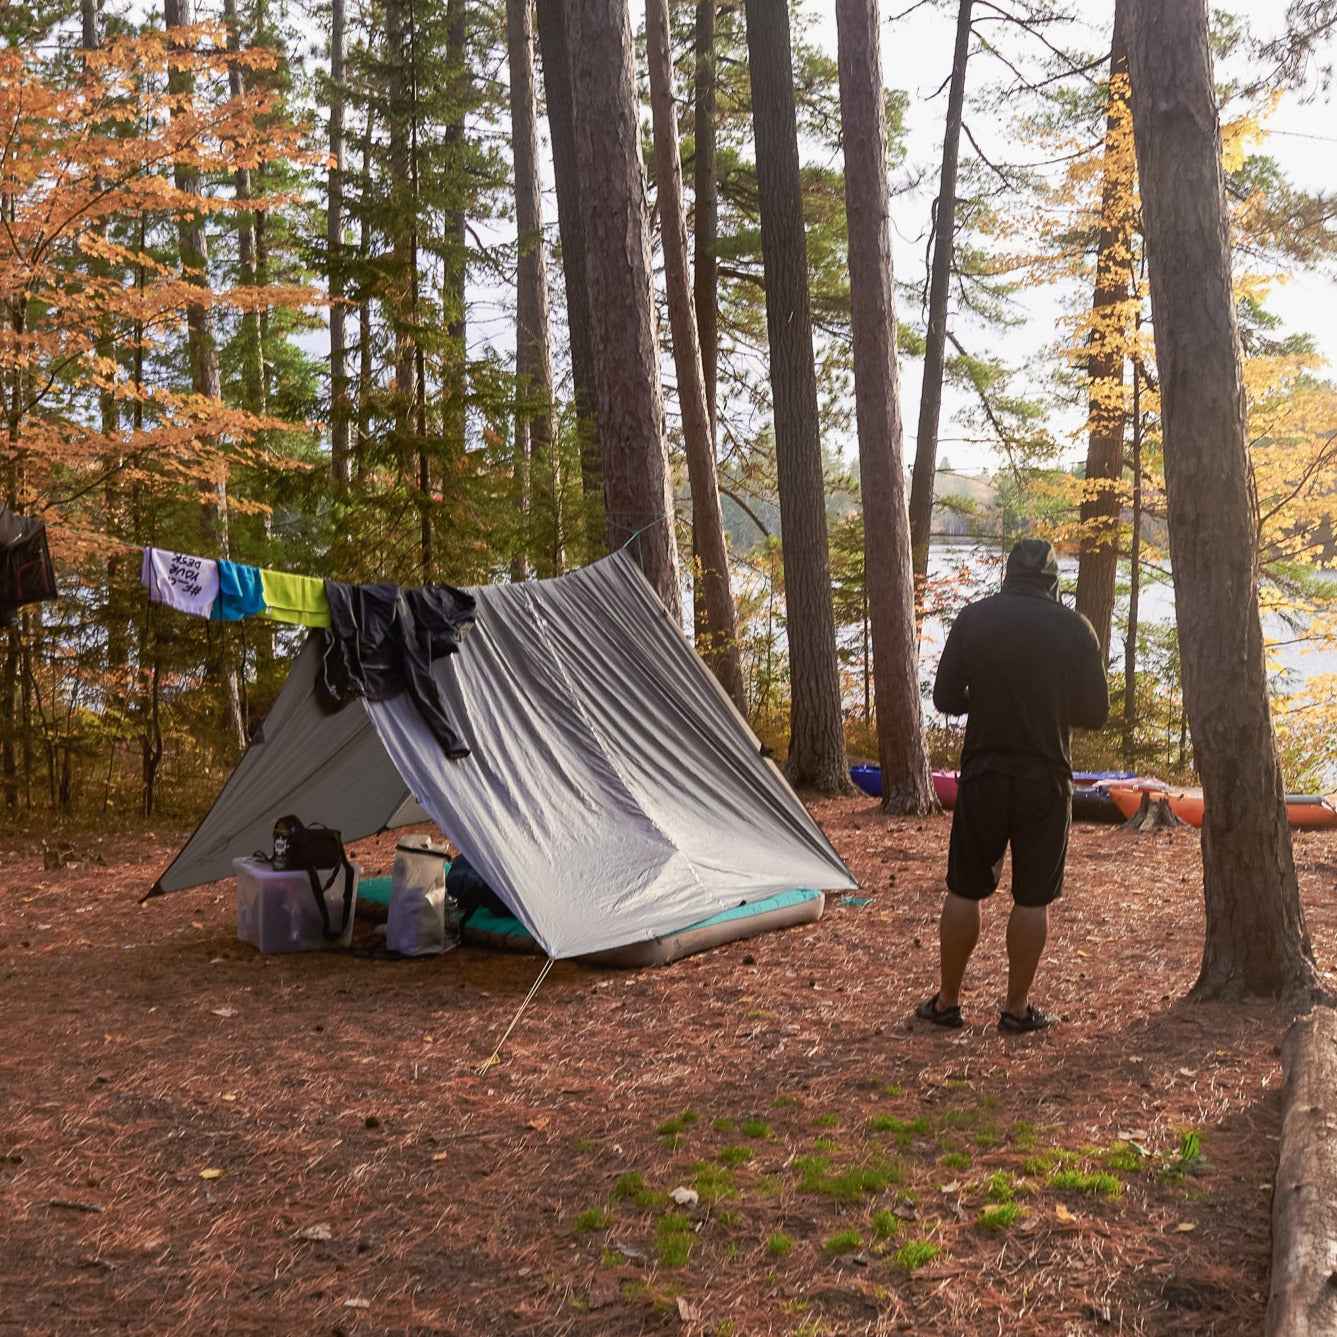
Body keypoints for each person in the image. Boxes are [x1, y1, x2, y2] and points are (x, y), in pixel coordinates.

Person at [917, 538, 1108, 1034]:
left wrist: (984, 699)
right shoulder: (1075, 629)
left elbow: (943, 698)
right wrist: (1050, 704)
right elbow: (1095, 714)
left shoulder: (975, 619)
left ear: (1008, 574)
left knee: (964, 889)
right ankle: (1016, 1009)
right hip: (1046, 778)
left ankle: (947, 1002)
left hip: (983, 774)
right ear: (1053, 580)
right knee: (1032, 898)